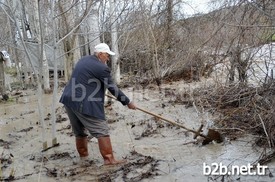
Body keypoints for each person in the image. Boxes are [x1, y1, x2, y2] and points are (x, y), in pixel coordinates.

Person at [59, 43, 136, 165]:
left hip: (68, 99)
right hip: (82, 102)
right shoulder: (102, 68)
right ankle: (109, 160)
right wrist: (127, 102)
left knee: (79, 132)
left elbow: (85, 79)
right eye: (106, 55)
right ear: (100, 54)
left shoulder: (83, 60)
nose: (108, 58)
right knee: (102, 131)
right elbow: (113, 88)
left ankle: (83, 158)